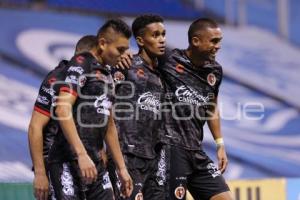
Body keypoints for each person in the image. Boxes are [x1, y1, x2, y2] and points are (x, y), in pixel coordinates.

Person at [37, 19, 133, 200]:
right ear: (103, 43)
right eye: (120, 50)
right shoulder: (81, 63)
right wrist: (81, 154)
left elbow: (109, 124)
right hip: (68, 162)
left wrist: (122, 168)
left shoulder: (107, 74)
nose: (123, 55)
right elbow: (62, 110)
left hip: (96, 165)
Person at [158, 18, 233, 200]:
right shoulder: (168, 59)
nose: (218, 46)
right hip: (171, 149)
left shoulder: (215, 71)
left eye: (219, 41)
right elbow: (141, 56)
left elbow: (212, 106)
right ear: (196, 40)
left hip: (196, 150)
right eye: (214, 41)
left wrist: (220, 143)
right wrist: (126, 54)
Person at [28, 35, 98, 200]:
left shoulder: (94, 81)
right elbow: (35, 127)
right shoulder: (56, 79)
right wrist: (40, 173)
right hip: (54, 163)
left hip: (81, 162)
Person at [110, 14, 166, 200]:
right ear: (141, 40)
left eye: (163, 34)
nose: (161, 40)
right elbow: (103, 103)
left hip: (154, 157)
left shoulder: (163, 72)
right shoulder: (125, 65)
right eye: (156, 35)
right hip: (128, 155)